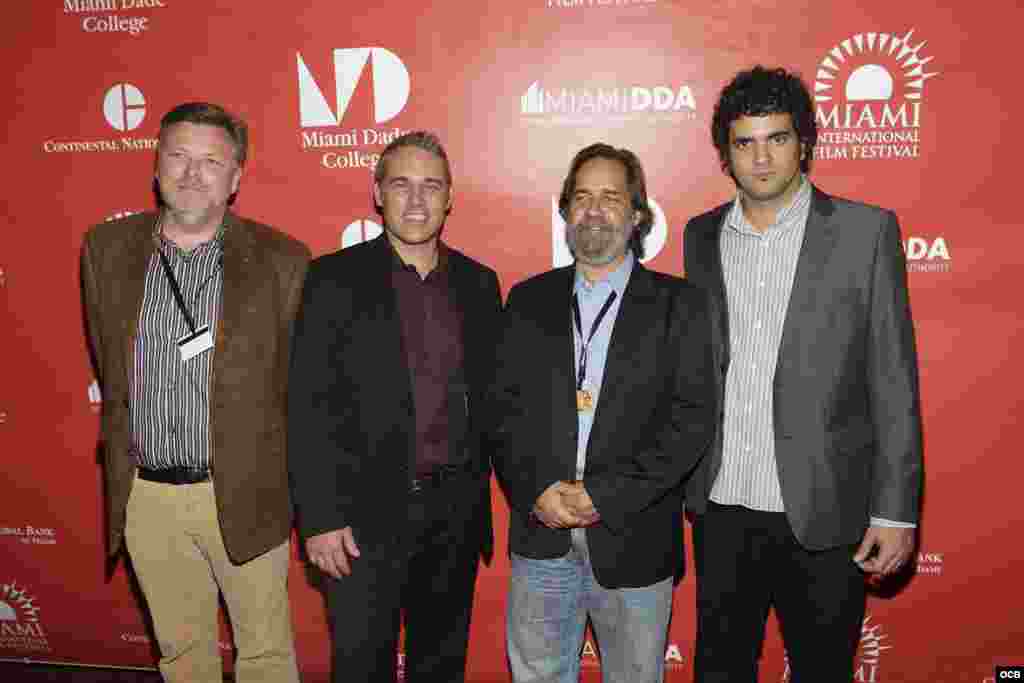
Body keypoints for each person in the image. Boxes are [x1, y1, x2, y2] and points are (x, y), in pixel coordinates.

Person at [683, 66, 924, 682]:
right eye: (744, 142)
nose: (760, 158)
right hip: (722, 505)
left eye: (777, 138)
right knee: (720, 671)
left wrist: (895, 512)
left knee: (822, 671)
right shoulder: (700, 236)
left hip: (824, 512)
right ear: (725, 153)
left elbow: (893, 379)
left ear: (805, 143)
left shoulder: (865, 232)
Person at [81, 102, 308, 682]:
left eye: (211, 161)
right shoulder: (104, 250)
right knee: (181, 656)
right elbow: (109, 362)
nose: (191, 173)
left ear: (236, 178)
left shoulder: (284, 261)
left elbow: (302, 389)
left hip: (245, 493)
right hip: (146, 498)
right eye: (178, 156)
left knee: (265, 655)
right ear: (155, 165)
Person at [492, 143, 717, 683]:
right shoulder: (527, 300)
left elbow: (691, 422)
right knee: (538, 674)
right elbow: (501, 414)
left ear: (637, 214)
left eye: (611, 196)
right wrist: (536, 490)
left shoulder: (678, 305)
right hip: (541, 535)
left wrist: (604, 496)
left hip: (634, 539)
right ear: (566, 210)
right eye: (582, 197)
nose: (594, 210)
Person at [287, 131, 501, 682]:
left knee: (440, 665)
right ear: (377, 193)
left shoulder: (480, 285)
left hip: (454, 516)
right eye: (401, 184)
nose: (416, 199)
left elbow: (496, 403)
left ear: (450, 197)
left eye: (431, 186)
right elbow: (308, 404)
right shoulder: (332, 279)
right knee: (361, 667)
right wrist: (320, 518)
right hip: (361, 521)